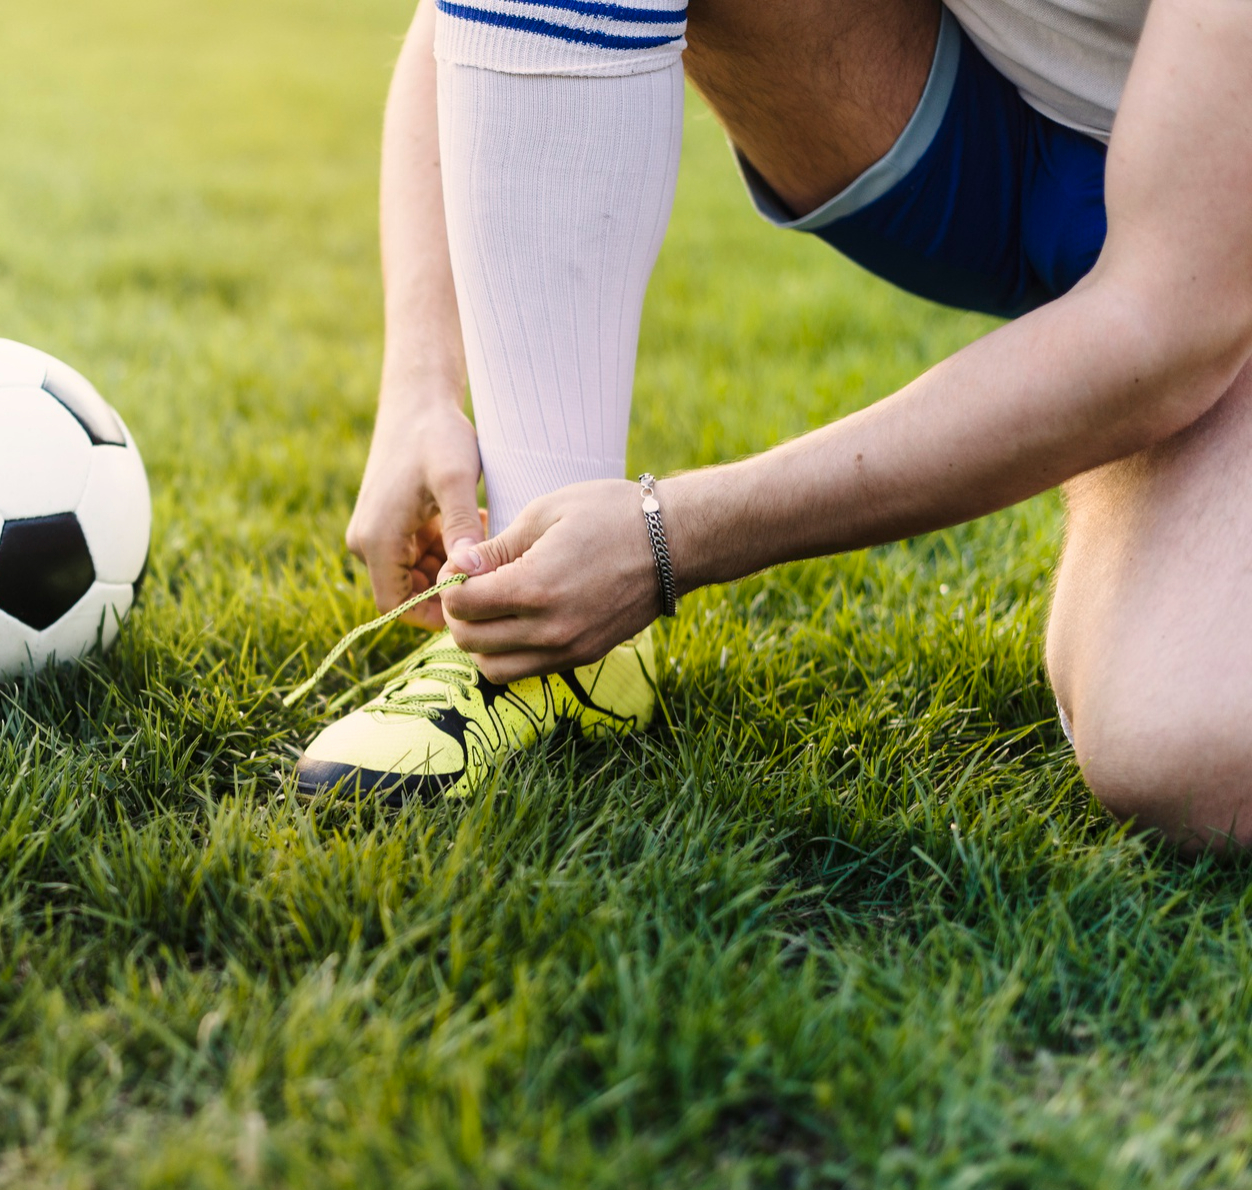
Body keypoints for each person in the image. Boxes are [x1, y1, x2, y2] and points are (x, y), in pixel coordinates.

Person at [293, 0, 1252, 850]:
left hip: (1200, 223)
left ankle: (1126, 412)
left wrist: (667, 535)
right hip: (990, 130)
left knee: (1177, 742)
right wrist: (420, 379)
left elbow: (1162, 321)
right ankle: (548, 636)